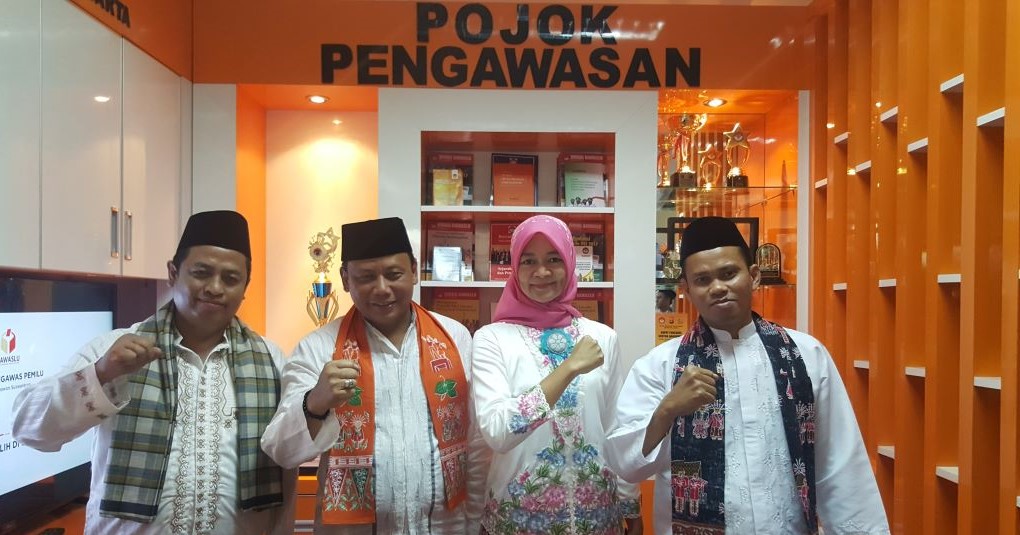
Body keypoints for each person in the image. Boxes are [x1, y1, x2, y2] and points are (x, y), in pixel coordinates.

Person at [12, 210, 295, 534]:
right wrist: (102, 374)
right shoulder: (113, 349)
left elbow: (287, 468)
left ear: (245, 287)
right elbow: (28, 428)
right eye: (201, 273)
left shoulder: (272, 361)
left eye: (231, 279)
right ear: (173, 273)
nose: (215, 288)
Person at [605, 216, 890, 534]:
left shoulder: (806, 356)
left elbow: (839, 464)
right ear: (686, 289)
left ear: (753, 276)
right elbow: (626, 465)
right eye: (702, 280)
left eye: (729, 273)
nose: (718, 288)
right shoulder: (660, 365)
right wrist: (668, 409)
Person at [260, 217, 487, 533]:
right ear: (345, 279)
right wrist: (315, 403)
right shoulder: (318, 347)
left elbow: (475, 442)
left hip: (444, 527)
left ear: (413, 271)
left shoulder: (455, 338)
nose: (382, 289)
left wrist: (474, 522)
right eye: (366, 277)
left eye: (394, 274)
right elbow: (281, 451)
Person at [471, 215, 641, 535]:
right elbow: (498, 432)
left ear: (570, 262)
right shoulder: (491, 339)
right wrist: (568, 369)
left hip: (598, 517)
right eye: (528, 261)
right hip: (518, 519)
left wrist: (629, 501)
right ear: (514, 267)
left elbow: (616, 428)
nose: (542, 272)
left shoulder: (602, 338)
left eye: (553, 259)